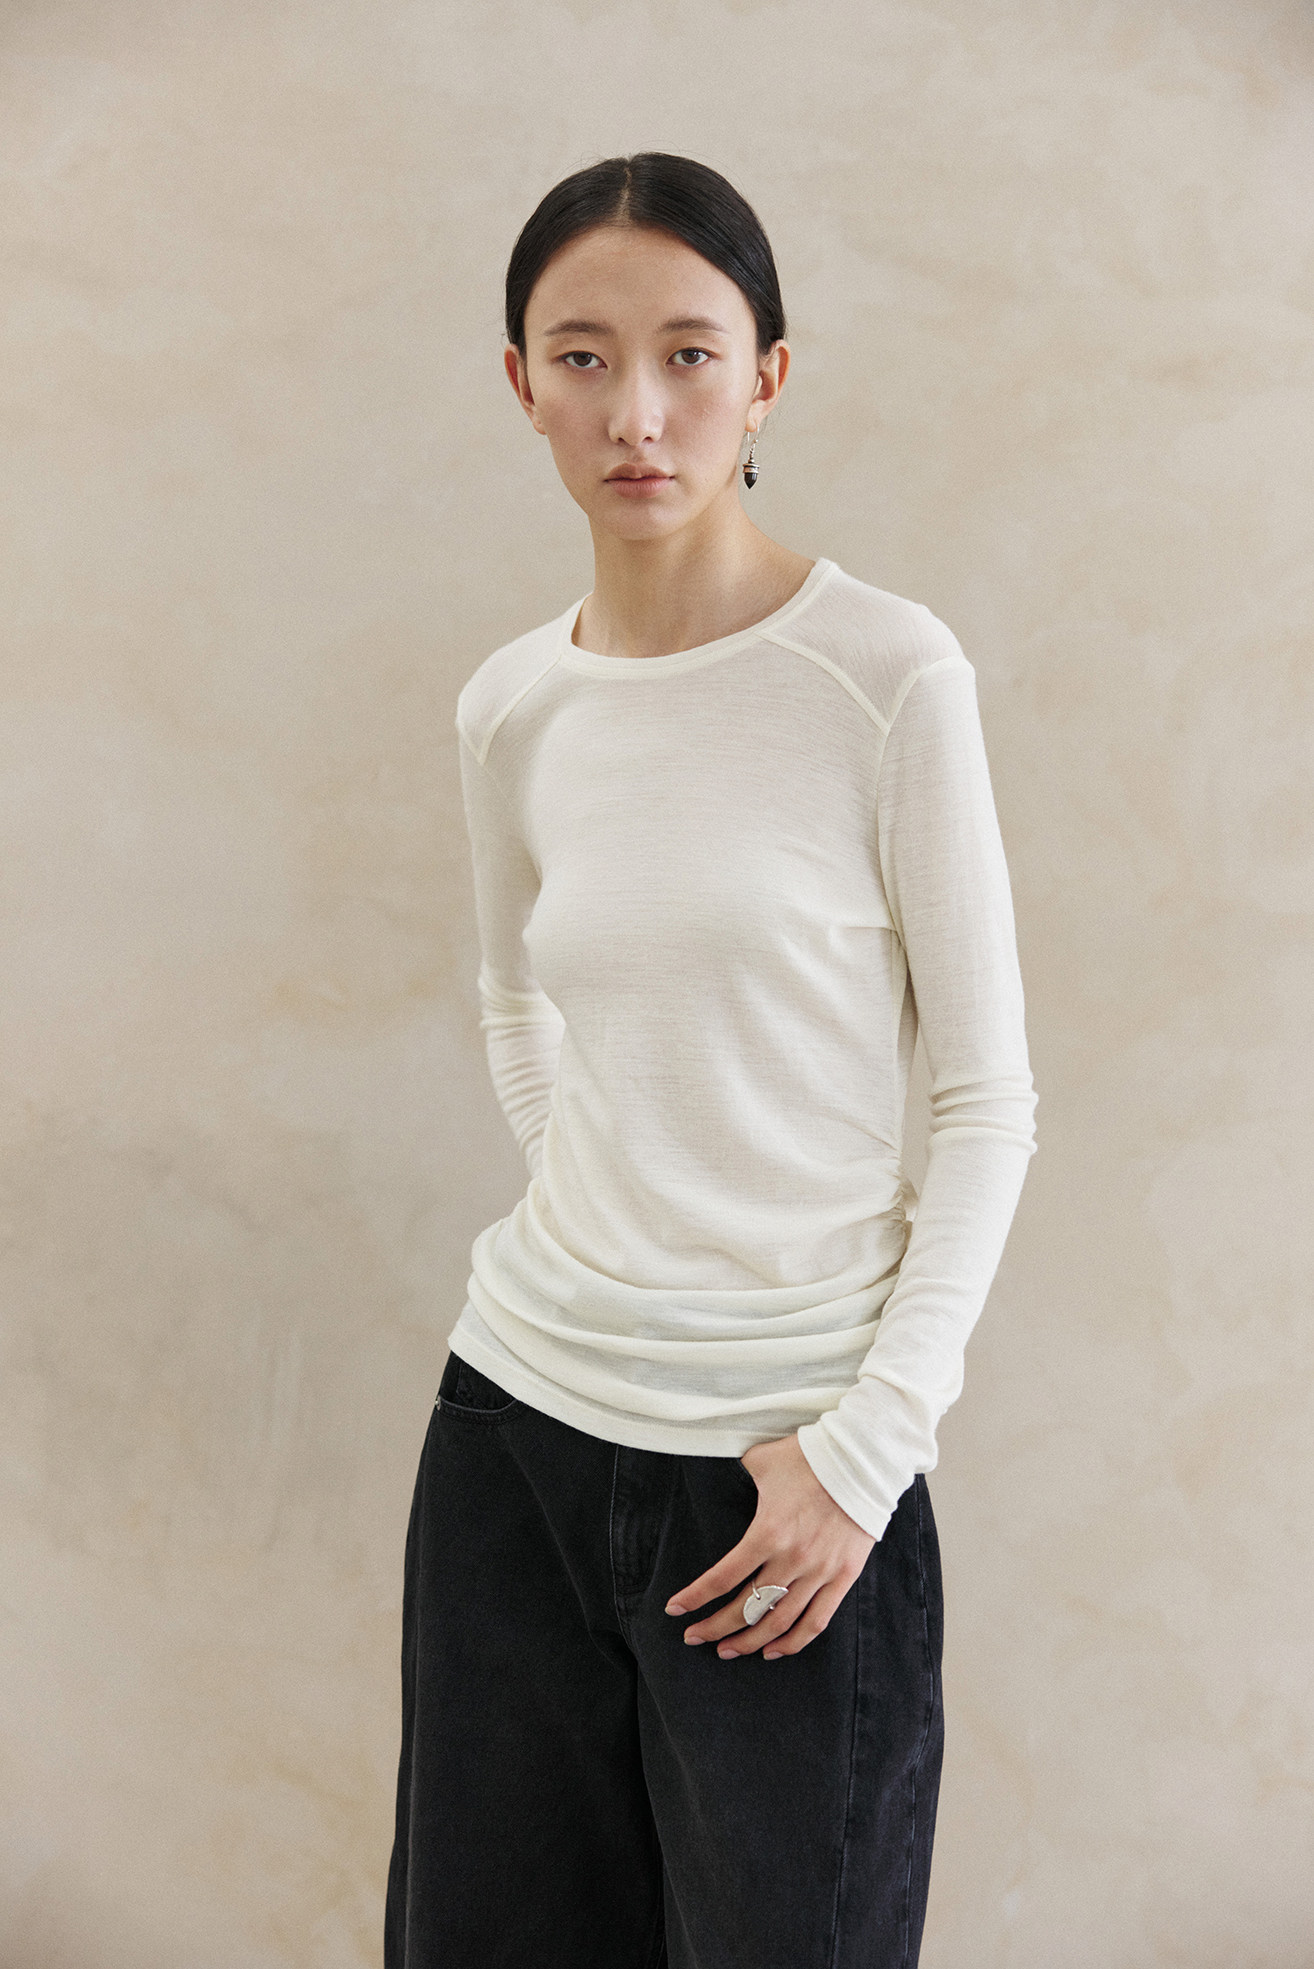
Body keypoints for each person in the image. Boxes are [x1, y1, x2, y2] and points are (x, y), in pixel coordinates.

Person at [384, 151, 1038, 1969]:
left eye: (688, 353)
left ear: (767, 378)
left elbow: (986, 1101)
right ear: (520, 383)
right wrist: (615, 1204)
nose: (637, 412)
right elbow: (516, 1002)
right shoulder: (512, 705)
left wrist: (866, 1451)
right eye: (581, 357)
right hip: (514, 1437)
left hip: (781, 1481)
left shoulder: (884, 674)